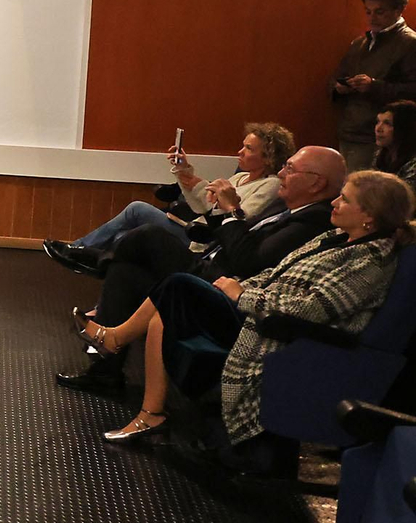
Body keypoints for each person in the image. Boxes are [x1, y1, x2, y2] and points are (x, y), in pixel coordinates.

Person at [75, 170, 408, 472]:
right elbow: (274, 274)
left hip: (275, 329)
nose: (334, 202)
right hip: (257, 308)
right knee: (163, 301)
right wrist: (239, 286)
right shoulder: (333, 239)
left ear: (369, 215)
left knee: (176, 282)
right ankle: (150, 413)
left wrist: (240, 296)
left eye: (345, 199)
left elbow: (312, 308)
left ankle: (115, 340)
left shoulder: (369, 260)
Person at [56, 146, 342, 395]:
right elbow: (236, 235)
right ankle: (105, 373)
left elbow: (247, 261)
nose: (282, 174)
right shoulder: (289, 208)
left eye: (290, 169)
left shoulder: (312, 220)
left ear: (316, 183)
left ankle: (95, 260)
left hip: (229, 288)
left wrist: (231, 212)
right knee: (127, 272)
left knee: (148, 235)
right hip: (215, 261)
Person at [44, 124, 293, 274]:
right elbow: (202, 206)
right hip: (198, 230)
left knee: (137, 210)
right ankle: (93, 280)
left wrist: (214, 197)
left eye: (249, 148)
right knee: (123, 237)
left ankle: (80, 250)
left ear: (269, 156)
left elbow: (236, 218)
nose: (240, 152)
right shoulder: (241, 179)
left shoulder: (270, 185)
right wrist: (186, 173)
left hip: (205, 242)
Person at [332, 0, 416, 171]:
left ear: (398, 11)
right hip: (349, 129)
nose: (372, 18)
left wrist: (374, 86)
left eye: (379, 11)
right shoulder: (360, 43)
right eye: (368, 11)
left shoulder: (410, 44)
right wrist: (339, 87)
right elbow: (338, 76)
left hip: (380, 135)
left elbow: (412, 91)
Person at [372, 99, 416, 185]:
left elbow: (402, 195)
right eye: (378, 122)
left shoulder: (413, 163)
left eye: (387, 123)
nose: (378, 129)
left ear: (405, 128)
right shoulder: (381, 155)